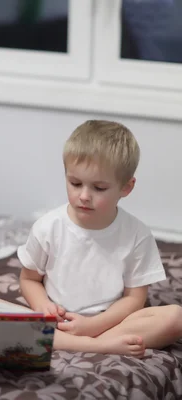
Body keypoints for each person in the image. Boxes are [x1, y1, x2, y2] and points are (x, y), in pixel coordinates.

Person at [17, 120, 182, 357]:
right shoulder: (48, 227)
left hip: (112, 322)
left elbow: (135, 299)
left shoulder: (137, 234)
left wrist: (93, 326)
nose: (84, 196)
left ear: (126, 188)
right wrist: (43, 306)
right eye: (75, 183)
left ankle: (88, 342)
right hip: (58, 322)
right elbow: (29, 280)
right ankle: (96, 346)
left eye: (99, 188)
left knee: (175, 318)